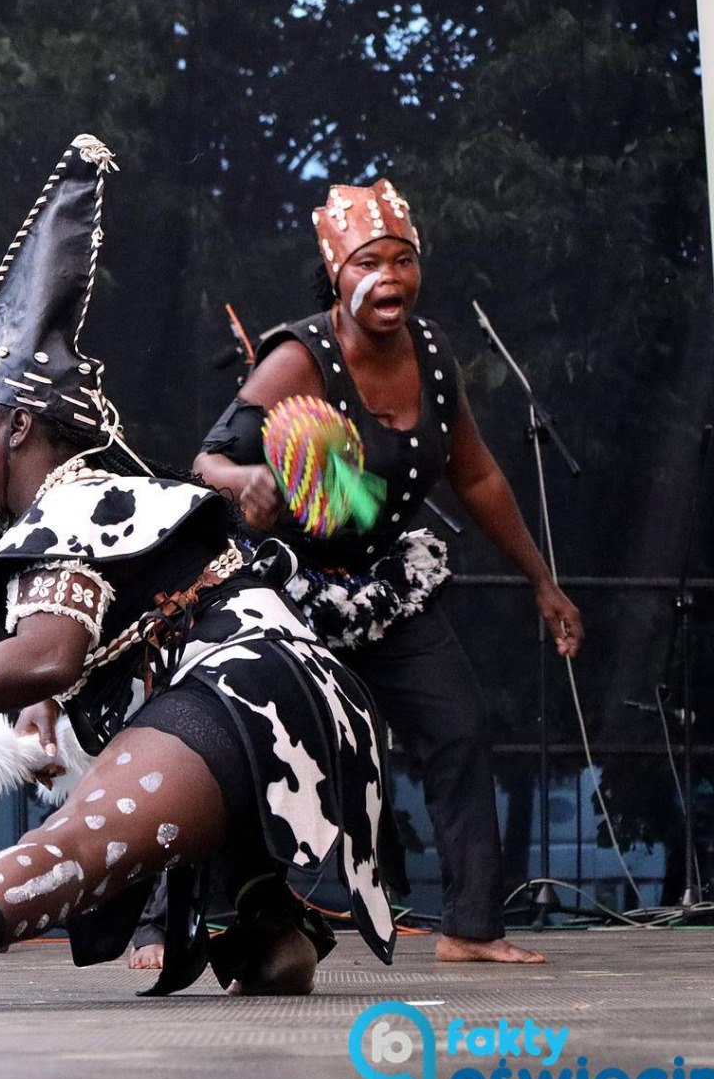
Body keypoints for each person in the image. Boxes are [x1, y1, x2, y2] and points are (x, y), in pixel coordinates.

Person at [0, 136, 396, 1015]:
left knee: (79, 837)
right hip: (307, 704)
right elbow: (89, 645)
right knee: (168, 829)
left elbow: (45, 657)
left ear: (16, 428)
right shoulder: (101, 501)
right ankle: (270, 923)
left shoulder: (69, 503)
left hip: (243, 694)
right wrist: (49, 701)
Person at [191, 179, 582, 965]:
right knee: (250, 747)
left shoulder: (433, 357)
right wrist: (245, 483)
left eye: (403, 260)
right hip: (291, 591)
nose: (390, 278)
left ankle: (471, 928)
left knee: (458, 729)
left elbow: (475, 479)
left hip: (384, 585)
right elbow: (206, 460)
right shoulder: (298, 357)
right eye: (369, 261)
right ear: (336, 271)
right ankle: (191, 919)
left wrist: (542, 580)